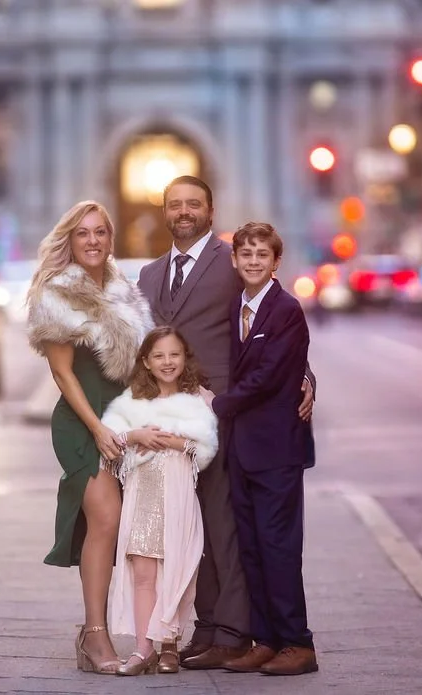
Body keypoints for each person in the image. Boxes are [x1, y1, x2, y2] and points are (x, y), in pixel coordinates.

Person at [136, 175, 315, 669]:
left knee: (223, 526)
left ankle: (234, 631)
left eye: (194, 204)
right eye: (176, 205)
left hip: (222, 416)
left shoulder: (230, 261)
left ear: (210, 211)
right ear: (165, 211)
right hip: (168, 420)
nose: (184, 212)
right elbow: (135, 344)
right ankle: (206, 625)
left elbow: (270, 323)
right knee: (186, 526)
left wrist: (305, 376)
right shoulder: (149, 275)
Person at [26, 200, 154, 674]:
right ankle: (96, 635)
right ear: (70, 241)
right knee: (106, 517)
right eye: (83, 234)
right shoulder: (59, 292)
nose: (93, 241)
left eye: (101, 232)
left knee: (116, 525)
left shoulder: (124, 291)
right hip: (83, 423)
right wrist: (98, 429)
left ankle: (98, 632)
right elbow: (62, 374)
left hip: (123, 420)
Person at [212, 222, 317, 676]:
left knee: (279, 547)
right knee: (251, 548)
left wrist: (215, 404)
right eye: (246, 254)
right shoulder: (236, 305)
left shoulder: (286, 310)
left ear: (276, 262)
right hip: (241, 449)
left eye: (262, 255)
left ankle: (298, 642)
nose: (253, 262)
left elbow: (269, 374)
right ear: (235, 261)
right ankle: (265, 638)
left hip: (276, 449)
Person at [101, 326, 219, 676]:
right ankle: (143, 649)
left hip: (178, 495)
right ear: (146, 363)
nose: (167, 362)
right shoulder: (132, 401)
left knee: (176, 570)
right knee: (143, 573)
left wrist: (174, 443)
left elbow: (207, 451)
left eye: (174, 354)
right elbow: (110, 441)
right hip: (141, 496)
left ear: (185, 358)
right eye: (159, 356)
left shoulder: (200, 400)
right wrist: (133, 435)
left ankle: (170, 645)